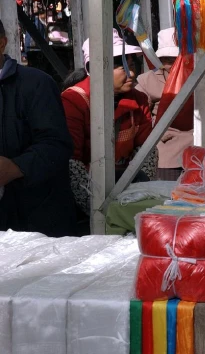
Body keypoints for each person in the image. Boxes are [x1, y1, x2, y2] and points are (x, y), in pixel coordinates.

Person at [0, 19, 79, 236]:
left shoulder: (36, 84)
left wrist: (16, 167)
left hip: (37, 221)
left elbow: (57, 145)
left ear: (2, 44)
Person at [61, 30, 153, 213]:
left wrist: (137, 195)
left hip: (128, 192)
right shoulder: (74, 101)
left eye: (133, 65)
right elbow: (72, 162)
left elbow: (146, 151)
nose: (132, 73)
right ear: (97, 67)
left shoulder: (140, 100)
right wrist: (100, 209)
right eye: (124, 68)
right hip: (87, 197)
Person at [135, 27, 192, 180]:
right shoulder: (148, 80)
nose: (172, 65)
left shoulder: (200, 75)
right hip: (167, 151)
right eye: (166, 60)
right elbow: (140, 116)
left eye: (176, 59)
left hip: (199, 146)